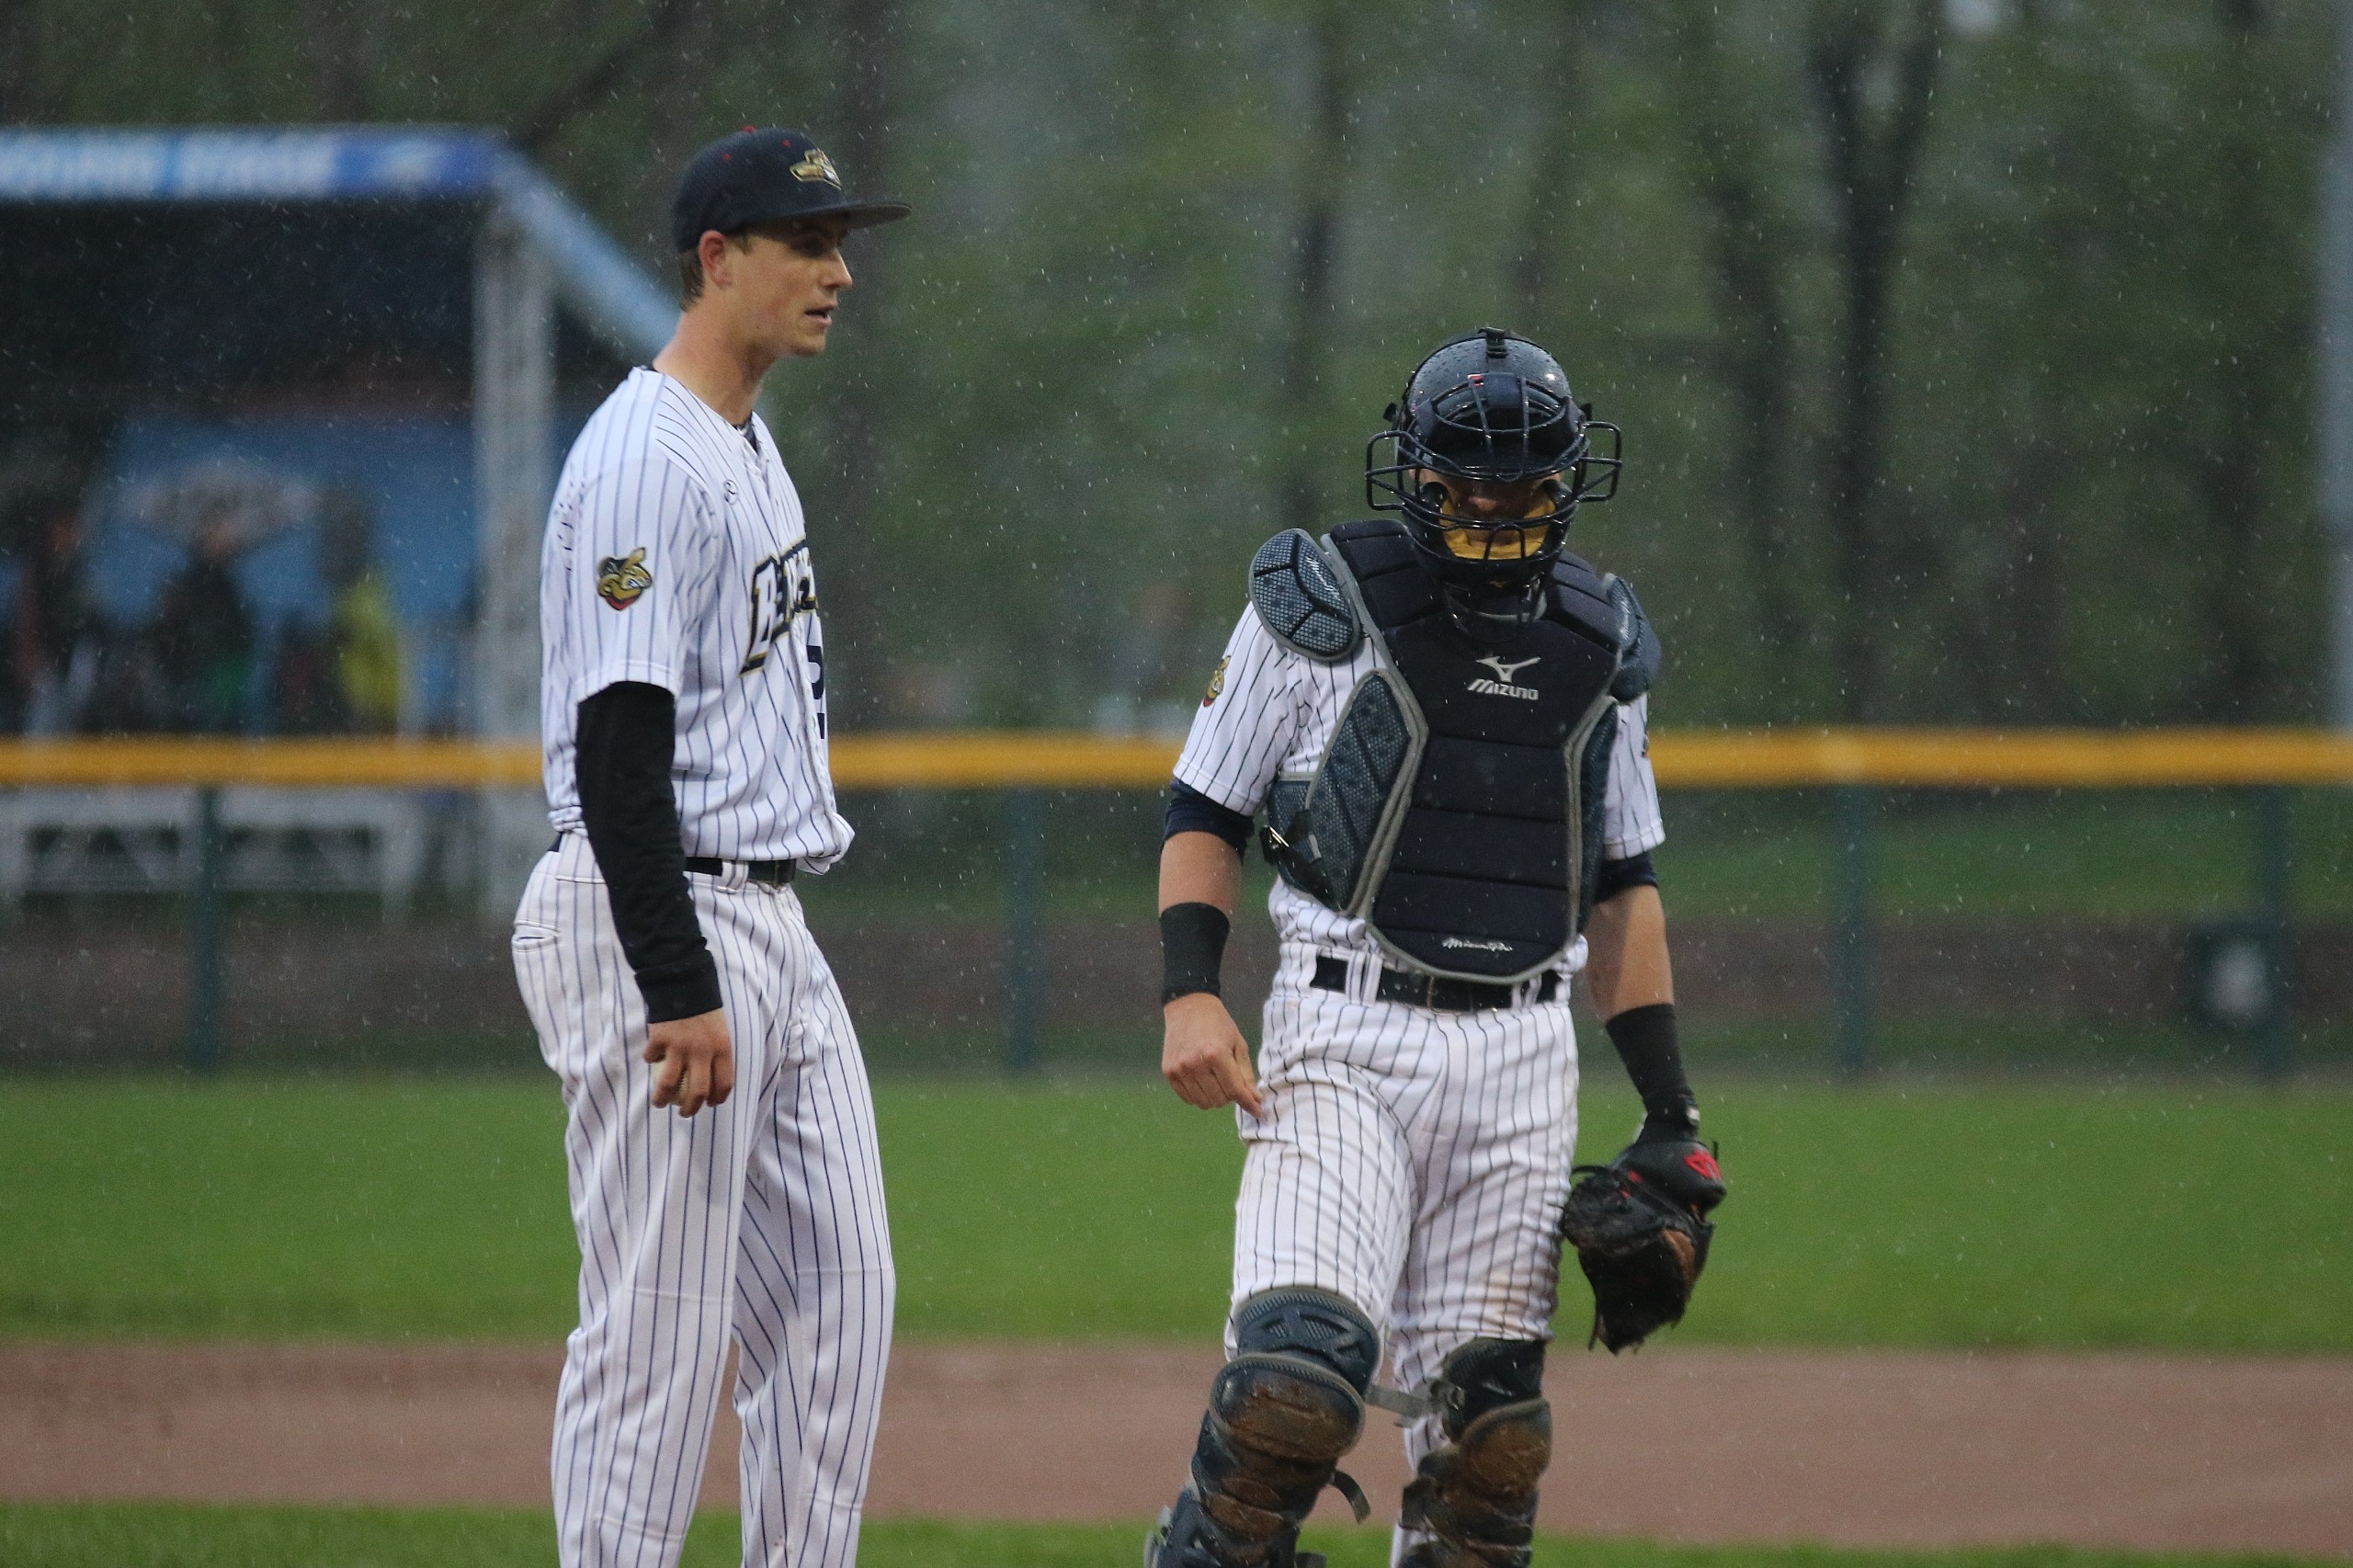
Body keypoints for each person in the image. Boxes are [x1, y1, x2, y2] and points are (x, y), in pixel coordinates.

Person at [1146, 329, 1727, 1568]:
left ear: (1571, 478)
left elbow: (1623, 881)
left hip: (1524, 1045)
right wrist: (1189, 992)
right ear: (1408, 468)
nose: (1489, 504)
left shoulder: (1603, 640)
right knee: (1295, 1385)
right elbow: (1205, 808)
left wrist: (1674, 1115)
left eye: (1518, 480)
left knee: (1493, 1450)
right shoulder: (1319, 603)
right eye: (1463, 476)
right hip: (1344, 1028)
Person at [509, 127, 909, 1568]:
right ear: (716, 259)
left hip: (769, 919)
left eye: (840, 244)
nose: (839, 272)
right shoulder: (640, 461)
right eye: (807, 245)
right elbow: (619, 759)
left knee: (839, 1306)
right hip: (659, 913)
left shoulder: (745, 434)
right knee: (660, 1340)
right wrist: (677, 981)